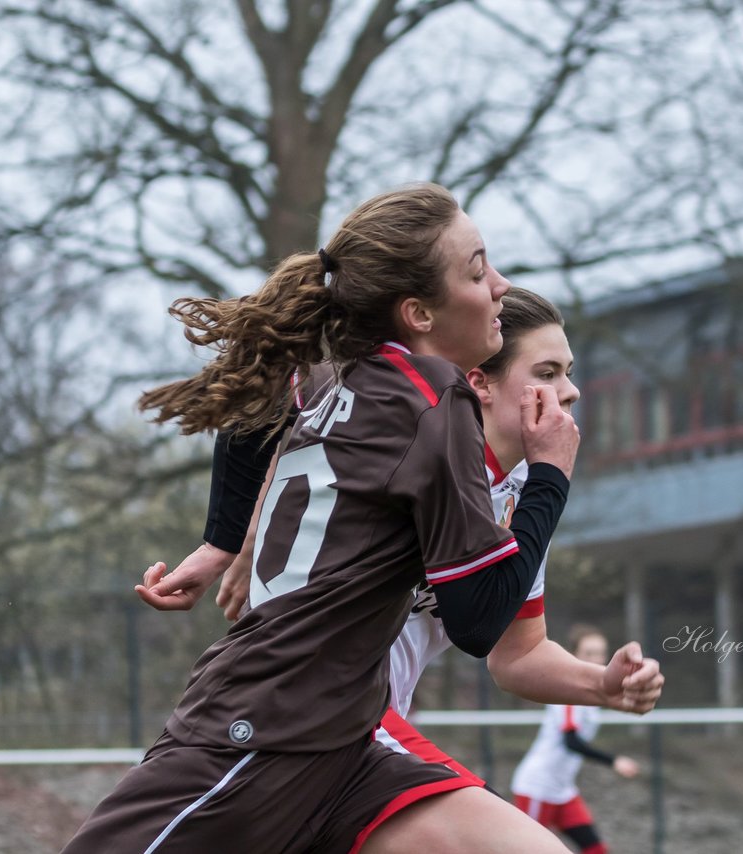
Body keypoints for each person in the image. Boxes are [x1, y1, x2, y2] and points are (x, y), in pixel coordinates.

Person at [64, 183, 581, 853]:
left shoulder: (334, 370)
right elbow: (480, 621)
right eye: (479, 269)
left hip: (342, 745)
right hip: (265, 731)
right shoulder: (433, 399)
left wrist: (221, 542)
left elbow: (254, 415)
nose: (501, 287)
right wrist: (550, 476)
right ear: (419, 312)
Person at [210, 288, 664, 853]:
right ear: (480, 382)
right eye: (547, 371)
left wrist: (602, 685)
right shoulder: (425, 459)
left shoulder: (520, 495)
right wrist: (235, 536)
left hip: (355, 732)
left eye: (569, 372)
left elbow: (516, 653)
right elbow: (287, 404)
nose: (570, 391)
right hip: (318, 714)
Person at [509, 625, 641, 854]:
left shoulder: (592, 695)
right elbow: (571, 742)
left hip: (563, 791)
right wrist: (614, 761)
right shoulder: (567, 694)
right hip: (537, 787)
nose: (597, 659)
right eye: (589, 653)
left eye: (601, 653)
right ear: (573, 656)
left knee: (596, 850)